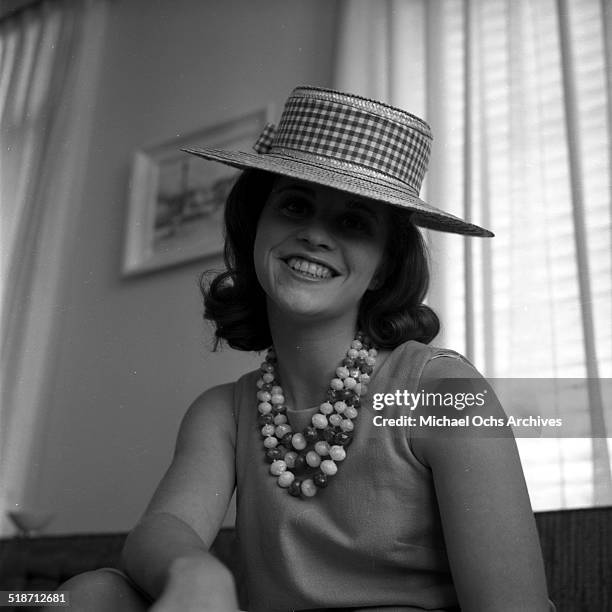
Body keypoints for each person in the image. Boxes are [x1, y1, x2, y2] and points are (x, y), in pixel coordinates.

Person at [56, 86, 554, 611]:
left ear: (385, 264)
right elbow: (163, 528)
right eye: (295, 205)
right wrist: (197, 574)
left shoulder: (445, 392)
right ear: (255, 228)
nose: (316, 235)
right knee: (91, 596)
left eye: (354, 221)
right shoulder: (223, 413)